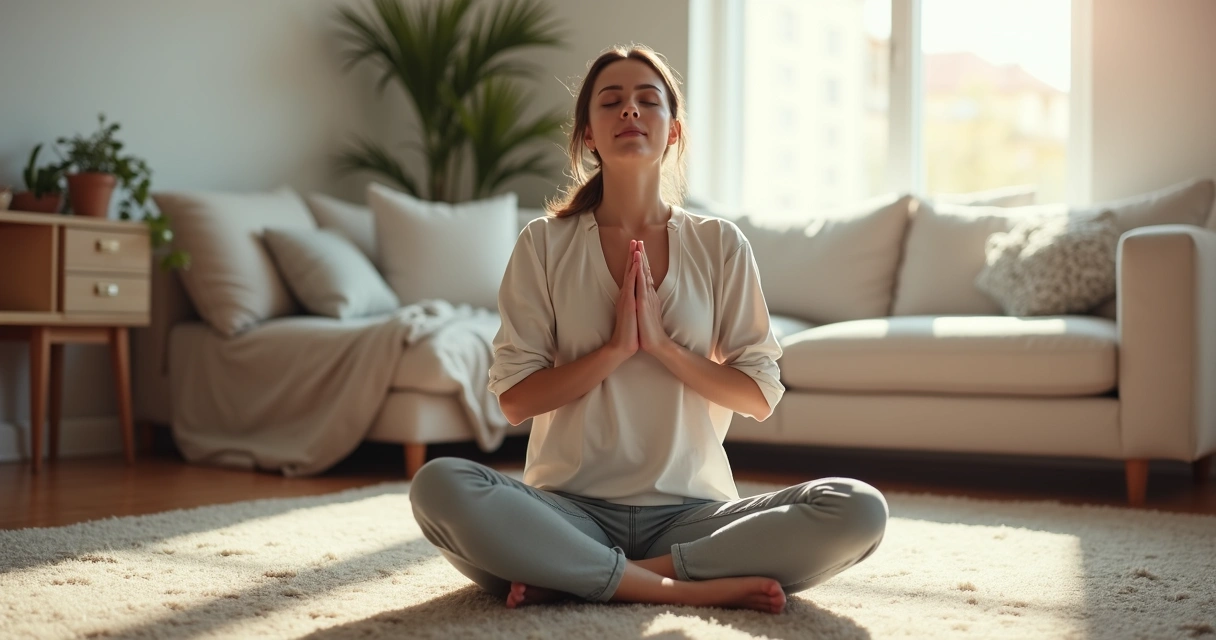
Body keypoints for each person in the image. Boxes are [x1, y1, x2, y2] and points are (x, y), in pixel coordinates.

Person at [410, 45, 888, 615]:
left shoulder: (719, 243)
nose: (630, 110)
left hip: (691, 517)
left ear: (674, 130)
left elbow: (759, 395)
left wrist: (662, 347)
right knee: (440, 485)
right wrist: (614, 350)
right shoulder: (543, 243)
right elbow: (516, 400)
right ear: (588, 134)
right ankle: (678, 587)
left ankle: (585, 576)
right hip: (568, 513)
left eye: (647, 100)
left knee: (857, 507)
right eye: (611, 101)